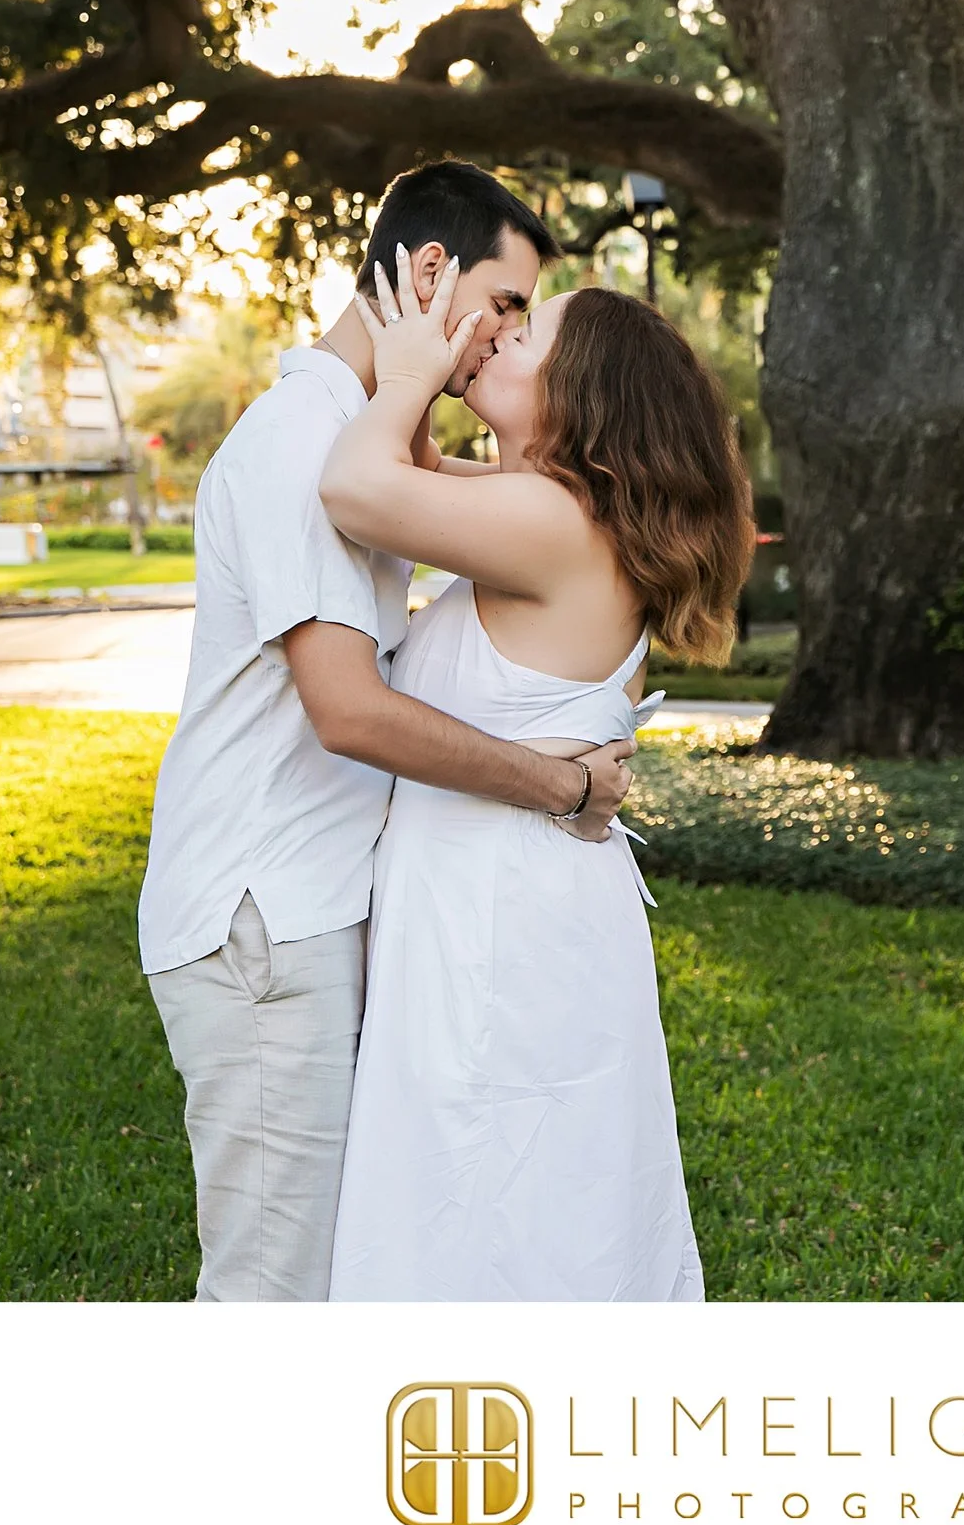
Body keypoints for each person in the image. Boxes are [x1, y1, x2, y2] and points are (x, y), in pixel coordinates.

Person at [135, 161, 638, 1303]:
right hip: (264, 916)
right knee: (277, 1294)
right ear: (426, 273)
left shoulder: (367, 436)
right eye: (505, 306)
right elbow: (348, 708)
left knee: (339, 1281)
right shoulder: (305, 443)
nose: (506, 341)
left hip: (310, 910)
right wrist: (557, 785)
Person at [317, 248, 753, 1301]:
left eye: (526, 333)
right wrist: (425, 363)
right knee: (535, 1191)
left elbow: (354, 483)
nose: (497, 334)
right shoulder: (555, 511)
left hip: (501, 921)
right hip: (519, 902)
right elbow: (416, 474)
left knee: (491, 1190)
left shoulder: (552, 525)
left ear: (583, 394)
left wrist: (410, 369)